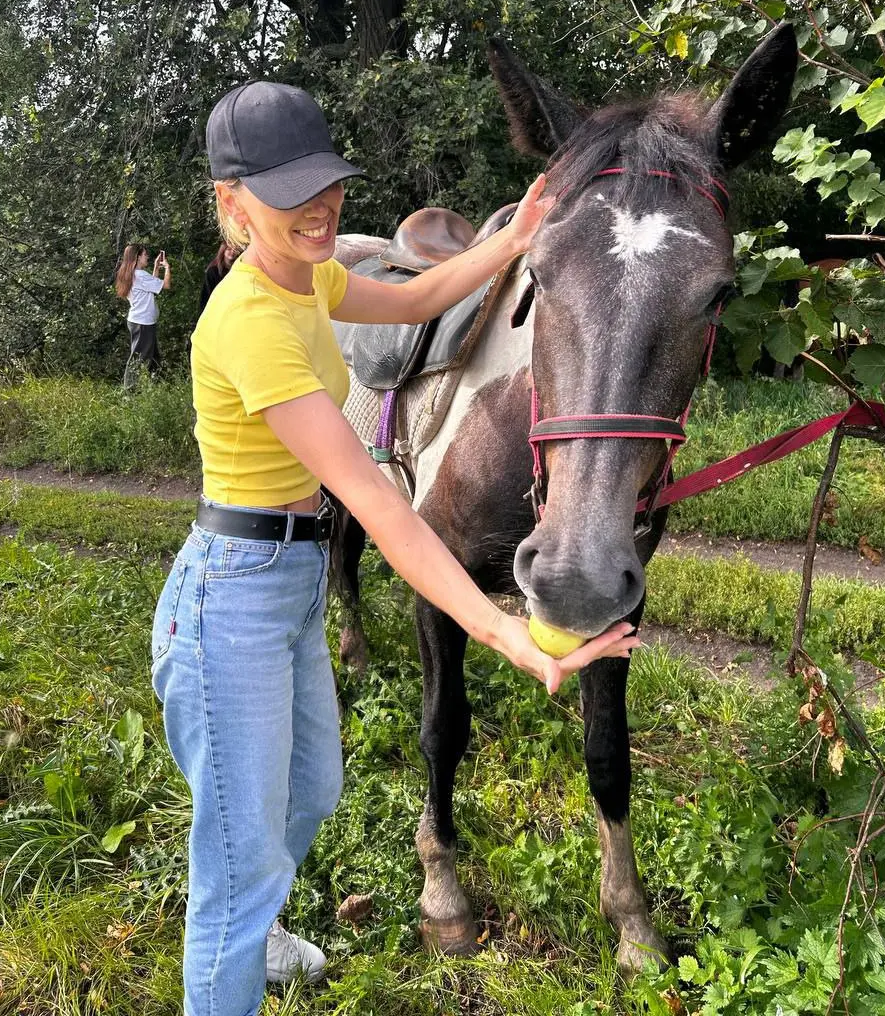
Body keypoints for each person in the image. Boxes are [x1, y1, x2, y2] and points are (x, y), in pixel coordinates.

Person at [150, 80, 642, 1016]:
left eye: (326, 182)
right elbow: (379, 503)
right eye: (287, 192)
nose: (319, 207)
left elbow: (424, 298)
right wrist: (505, 636)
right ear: (229, 200)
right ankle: (234, 954)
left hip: (288, 581)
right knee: (236, 858)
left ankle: (265, 923)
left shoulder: (315, 281)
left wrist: (516, 233)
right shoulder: (249, 321)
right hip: (234, 594)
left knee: (311, 795)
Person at [114, 243, 171, 389]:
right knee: (138, 358)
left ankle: (158, 385)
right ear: (138, 257)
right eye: (145, 255)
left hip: (140, 321)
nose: (147, 257)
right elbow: (165, 285)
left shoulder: (133, 275)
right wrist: (167, 268)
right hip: (143, 323)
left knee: (153, 357)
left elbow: (152, 287)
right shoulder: (140, 276)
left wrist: (156, 267)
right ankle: (129, 391)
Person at [197, 241, 240, 316]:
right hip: (216, 311)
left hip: (233, 311)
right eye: (229, 249)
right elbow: (206, 295)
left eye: (235, 249)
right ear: (223, 251)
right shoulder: (213, 271)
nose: (232, 252)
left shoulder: (238, 270)